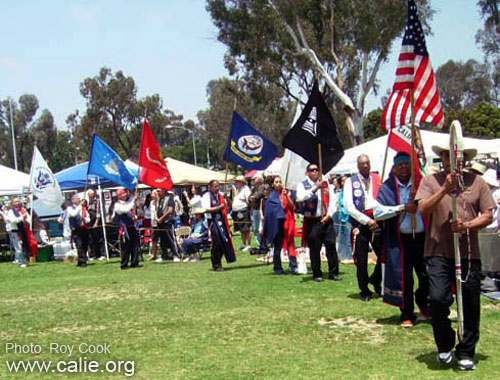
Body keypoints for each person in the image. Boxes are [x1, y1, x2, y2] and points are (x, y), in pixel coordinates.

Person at [416, 142, 495, 371]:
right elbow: (423, 210)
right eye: (449, 157)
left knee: (470, 302)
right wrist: (444, 188)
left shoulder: (476, 182)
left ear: (465, 161)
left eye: (458, 158)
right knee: (438, 299)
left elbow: (488, 215)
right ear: (442, 159)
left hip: (469, 253)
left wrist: (467, 225)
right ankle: (445, 343)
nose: (454, 161)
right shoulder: (431, 181)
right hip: (438, 251)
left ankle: (466, 351)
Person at [375, 152, 429, 327]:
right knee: (404, 277)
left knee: (426, 274)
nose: (404, 167)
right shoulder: (387, 188)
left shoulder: (422, 185)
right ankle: (406, 313)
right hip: (400, 241)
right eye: (400, 165)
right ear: (394, 168)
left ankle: (424, 304)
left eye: (407, 164)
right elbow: (378, 212)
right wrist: (402, 208)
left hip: (423, 238)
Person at [344, 154, 382, 301]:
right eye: (362, 164)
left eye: (367, 163)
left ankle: (376, 279)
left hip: (378, 221)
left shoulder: (377, 179)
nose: (365, 166)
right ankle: (364, 289)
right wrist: (366, 221)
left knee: (383, 254)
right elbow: (349, 206)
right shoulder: (350, 182)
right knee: (361, 259)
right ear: (358, 166)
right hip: (360, 223)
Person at [296, 163, 341, 282]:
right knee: (315, 248)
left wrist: (329, 215)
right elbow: (300, 197)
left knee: (331, 245)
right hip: (312, 220)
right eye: (312, 170)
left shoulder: (327, 185)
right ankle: (317, 273)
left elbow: (333, 202)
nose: (315, 172)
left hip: (326, 218)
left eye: (317, 170)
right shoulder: (303, 185)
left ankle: (334, 272)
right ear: (308, 172)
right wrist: (315, 188)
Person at [202, 180, 236, 271]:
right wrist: (218, 208)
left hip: (223, 221)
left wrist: (227, 198)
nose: (217, 188)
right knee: (216, 243)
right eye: (215, 186)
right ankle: (216, 264)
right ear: (210, 187)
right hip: (212, 221)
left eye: (218, 186)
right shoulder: (206, 196)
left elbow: (229, 205)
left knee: (223, 241)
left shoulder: (221, 195)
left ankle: (218, 261)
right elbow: (206, 209)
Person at [114, 188, 141, 270]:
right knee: (126, 246)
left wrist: (134, 217)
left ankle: (134, 262)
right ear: (119, 196)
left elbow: (130, 211)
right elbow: (125, 210)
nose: (125, 195)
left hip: (131, 226)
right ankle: (124, 264)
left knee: (135, 244)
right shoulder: (117, 204)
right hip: (124, 227)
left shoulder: (127, 203)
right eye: (123, 194)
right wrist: (134, 201)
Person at [155, 188, 180, 262]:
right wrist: (157, 218)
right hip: (160, 223)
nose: (158, 192)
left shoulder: (169, 198)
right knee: (162, 240)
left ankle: (176, 255)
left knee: (171, 238)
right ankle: (164, 255)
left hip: (167, 222)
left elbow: (170, 210)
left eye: (159, 191)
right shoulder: (159, 200)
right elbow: (156, 210)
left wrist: (162, 218)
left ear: (163, 191)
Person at [5, 198, 30, 268]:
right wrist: (22, 218)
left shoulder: (20, 211)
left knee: (24, 246)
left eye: (18, 201)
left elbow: (28, 218)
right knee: (18, 247)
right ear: (12, 203)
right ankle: (21, 262)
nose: (18, 202)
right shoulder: (10, 211)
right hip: (14, 231)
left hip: (22, 230)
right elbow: (13, 220)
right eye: (16, 201)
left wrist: (25, 219)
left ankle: (25, 260)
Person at [67, 194, 90, 268]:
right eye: (76, 199)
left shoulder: (83, 208)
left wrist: (85, 219)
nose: (78, 200)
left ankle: (82, 260)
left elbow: (88, 219)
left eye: (79, 199)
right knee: (79, 245)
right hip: (76, 229)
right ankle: (82, 261)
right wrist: (80, 206)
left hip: (84, 228)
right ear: (72, 200)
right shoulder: (70, 208)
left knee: (85, 245)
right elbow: (73, 214)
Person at [231, 176, 252, 251]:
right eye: (236, 181)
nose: (236, 183)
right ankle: (244, 244)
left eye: (237, 181)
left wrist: (250, 210)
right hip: (237, 211)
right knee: (241, 229)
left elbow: (249, 201)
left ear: (242, 182)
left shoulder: (246, 190)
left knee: (246, 228)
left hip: (243, 211)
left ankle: (249, 244)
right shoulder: (237, 190)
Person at [336, 176, 353, 262]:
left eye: (345, 181)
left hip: (348, 218)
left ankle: (349, 257)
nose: (344, 183)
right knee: (341, 238)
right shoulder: (341, 191)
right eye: (342, 181)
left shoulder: (350, 192)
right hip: (341, 217)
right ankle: (341, 256)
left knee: (347, 239)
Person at [87, 189, 105, 260]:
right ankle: (95, 254)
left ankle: (102, 254)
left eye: (90, 194)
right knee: (92, 239)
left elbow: (98, 212)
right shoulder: (89, 202)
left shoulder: (97, 201)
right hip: (90, 221)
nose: (89, 196)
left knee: (99, 238)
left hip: (96, 221)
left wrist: (96, 222)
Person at [249, 175, 265, 248]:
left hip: (261, 210)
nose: (254, 181)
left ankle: (264, 243)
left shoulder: (262, 187)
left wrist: (253, 197)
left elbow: (259, 195)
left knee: (261, 228)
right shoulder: (254, 189)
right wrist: (252, 198)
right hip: (255, 209)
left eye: (255, 180)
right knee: (255, 228)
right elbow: (249, 197)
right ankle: (260, 244)